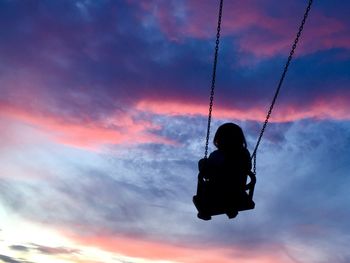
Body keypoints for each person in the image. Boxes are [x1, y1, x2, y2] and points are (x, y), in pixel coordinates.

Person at [193, 122, 256, 220]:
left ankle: (205, 212)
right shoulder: (245, 154)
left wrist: (205, 168)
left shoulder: (217, 155)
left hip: (217, 189)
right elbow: (248, 167)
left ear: (219, 140)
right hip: (237, 190)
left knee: (203, 163)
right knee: (231, 180)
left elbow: (208, 172)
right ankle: (231, 208)